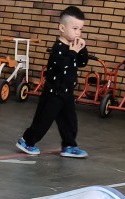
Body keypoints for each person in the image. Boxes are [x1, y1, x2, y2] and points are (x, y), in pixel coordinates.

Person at [15, 5, 89, 159]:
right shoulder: (58, 49)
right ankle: (26, 141)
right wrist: (73, 52)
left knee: (70, 121)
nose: (78, 33)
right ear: (62, 28)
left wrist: (82, 49)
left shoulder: (73, 47)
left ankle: (69, 145)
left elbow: (82, 63)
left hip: (67, 93)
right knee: (43, 120)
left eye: (80, 29)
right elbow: (64, 66)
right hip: (53, 93)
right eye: (75, 28)